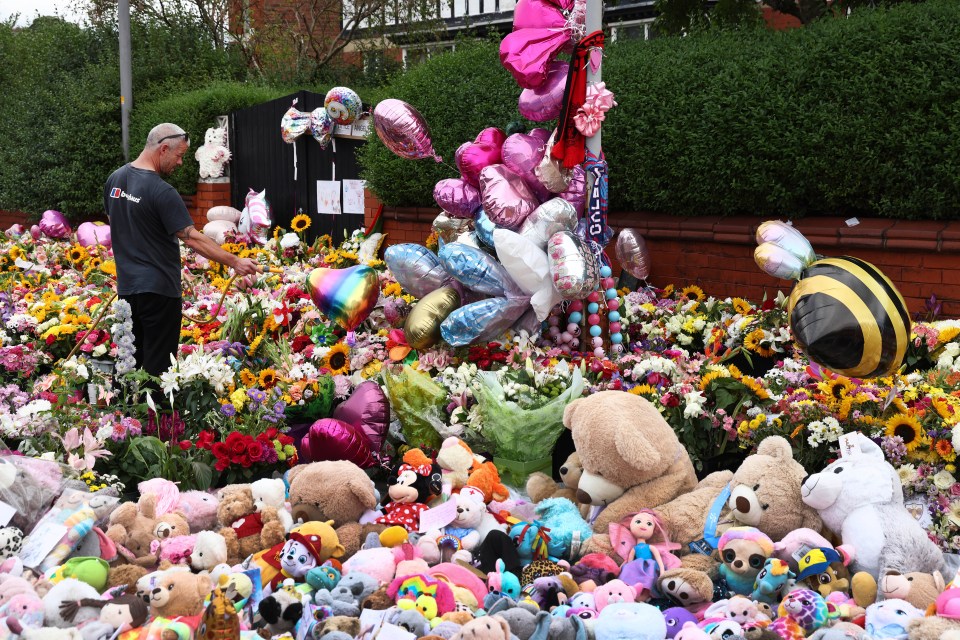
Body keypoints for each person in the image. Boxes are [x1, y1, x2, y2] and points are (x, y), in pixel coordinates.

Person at [104, 123, 259, 377]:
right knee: (157, 370)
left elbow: (117, 220)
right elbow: (192, 237)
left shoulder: (115, 179)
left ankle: (125, 416)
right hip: (159, 293)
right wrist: (234, 261)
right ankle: (156, 417)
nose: (180, 163)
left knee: (128, 362)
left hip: (127, 291)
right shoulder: (162, 191)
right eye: (179, 155)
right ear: (163, 148)